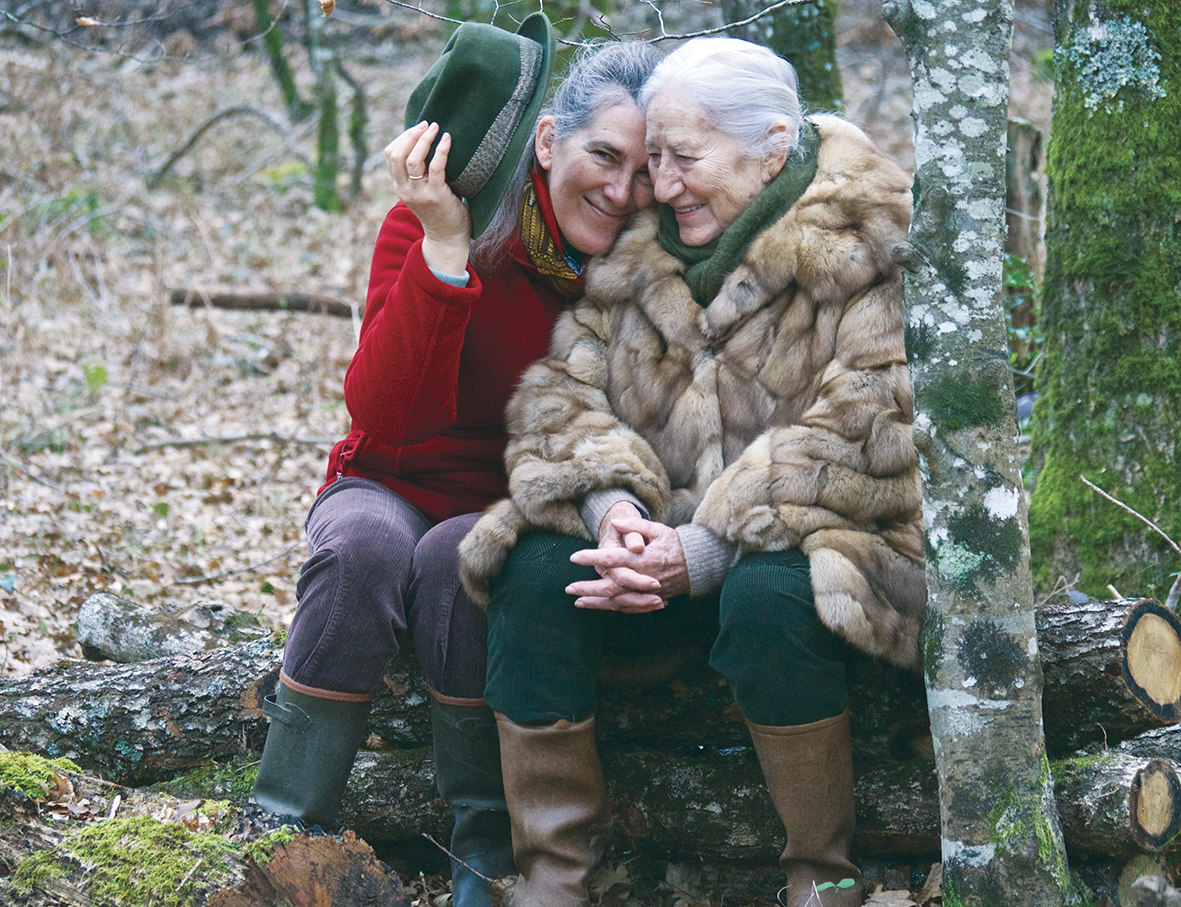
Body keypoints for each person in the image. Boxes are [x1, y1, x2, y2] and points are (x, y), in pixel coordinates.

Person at [458, 36, 927, 907]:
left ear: (772, 149)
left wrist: (703, 548)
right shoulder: (648, 242)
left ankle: (819, 880)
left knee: (768, 593)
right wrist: (614, 517)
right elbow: (560, 397)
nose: (658, 185)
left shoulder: (871, 237)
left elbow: (870, 430)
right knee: (528, 568)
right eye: (653, 158)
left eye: (682, 158)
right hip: (655, 547)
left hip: (833, 550)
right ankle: (553, 878)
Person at [251, 15, 661, 907]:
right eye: (603, 156)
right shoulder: (435, 223)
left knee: (458, 557)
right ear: (548, 140)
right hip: (385, 478)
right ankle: (281, 828)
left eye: (643, 169)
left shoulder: (642, 270)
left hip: (520, 502)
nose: (622, 189)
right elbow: (385, 420)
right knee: (361, 544)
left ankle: (482, 857)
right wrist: (443, 247)